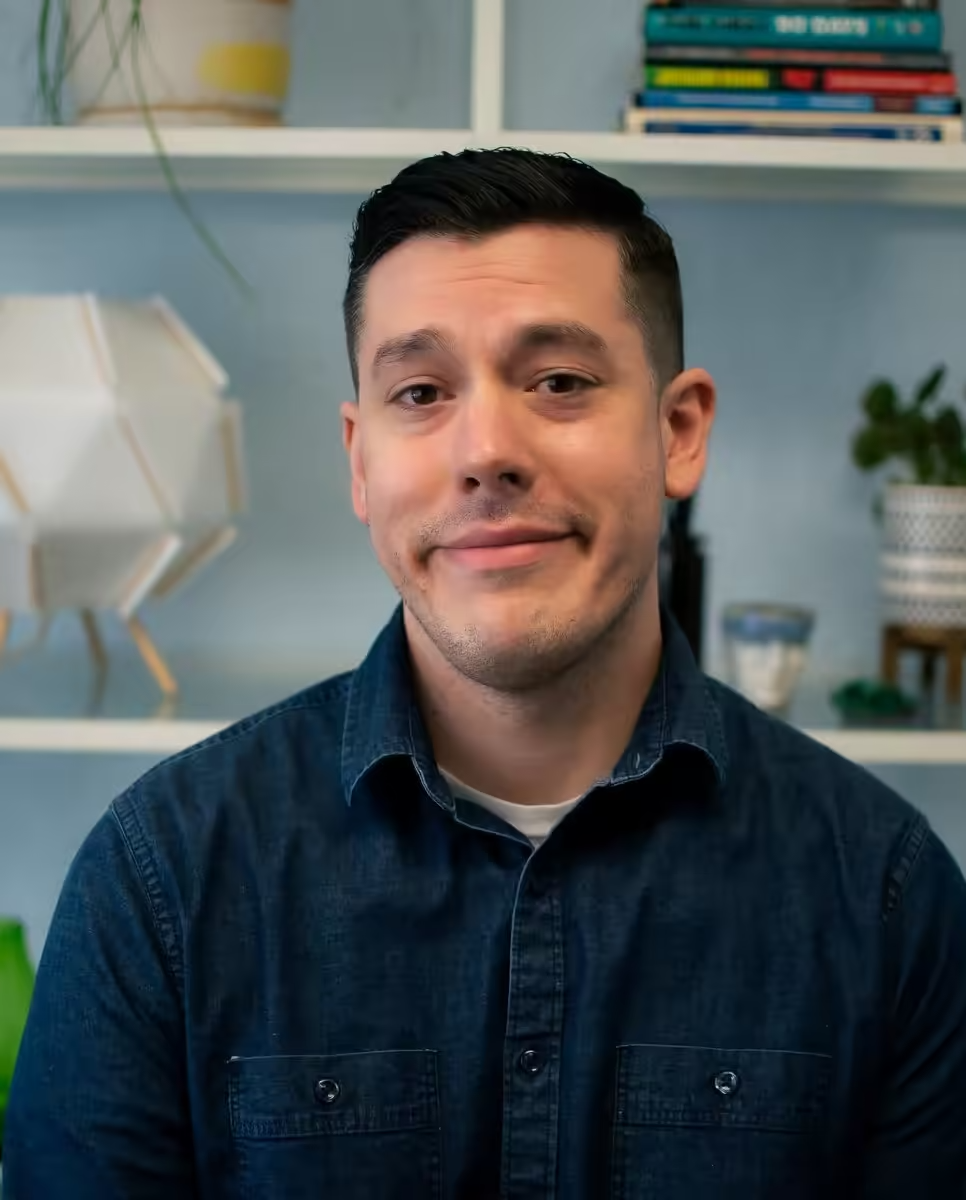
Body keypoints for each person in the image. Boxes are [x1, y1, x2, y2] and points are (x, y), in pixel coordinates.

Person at [5, 148, 966, 1199]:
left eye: (559, 381)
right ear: (361, 458)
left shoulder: (890, 901)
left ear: (678, 432)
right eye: (420, 391)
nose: (486, 452)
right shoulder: (160, 886)